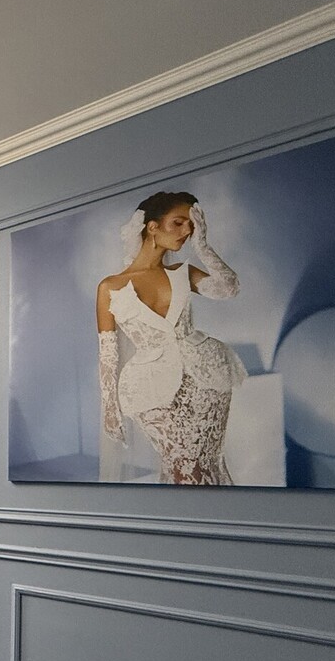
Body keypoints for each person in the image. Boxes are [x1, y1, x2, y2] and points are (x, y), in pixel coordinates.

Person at [96, 191, 246, 484]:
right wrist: (109, 408)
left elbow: (229, 288)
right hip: (148, 386)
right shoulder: (109, 287)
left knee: (207, 462)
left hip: (205, 376)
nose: (187, 231)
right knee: (182, 465)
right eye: (178, 223)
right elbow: (108, 352)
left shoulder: (182, 273)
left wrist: (203, 247)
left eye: (191, 225)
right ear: (152, 227)